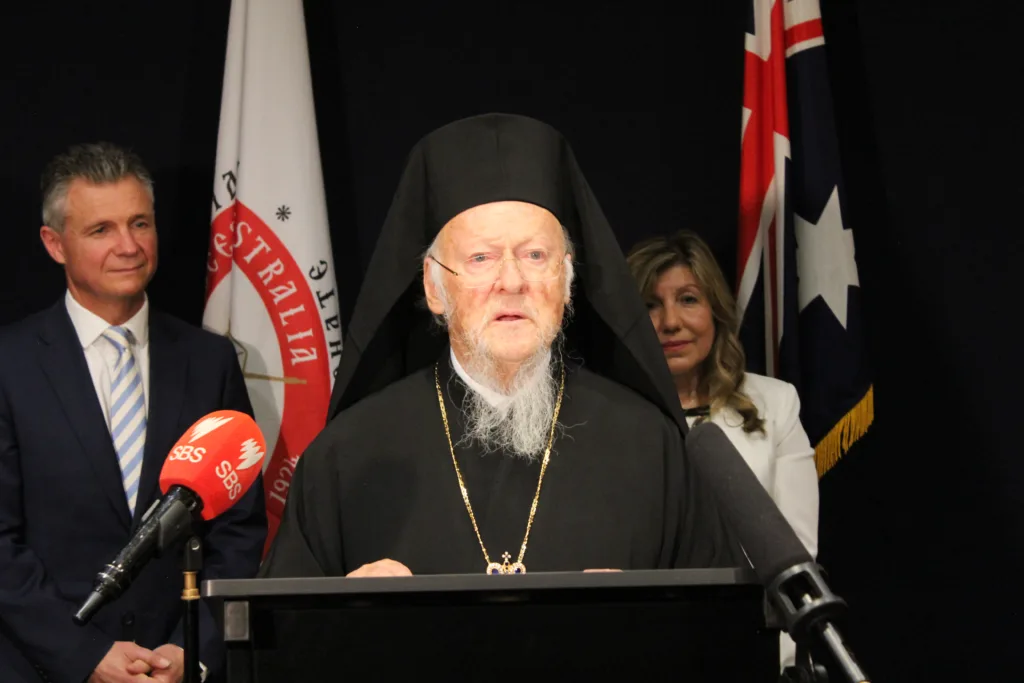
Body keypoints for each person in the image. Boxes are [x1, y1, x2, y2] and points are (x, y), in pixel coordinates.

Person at [260, 113, 742, 578]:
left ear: (568, 278)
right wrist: (342, 616)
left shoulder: (651, 447)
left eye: (535, 255)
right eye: (481, 258)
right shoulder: (348, 454)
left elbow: (722, 634)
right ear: (433, 288)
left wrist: (647, 621)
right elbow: (278, 639)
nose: (511, 281)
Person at [0, 142, 267, 683]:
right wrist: (84, 656)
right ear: (55, 244)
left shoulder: (209, 360)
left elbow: (238, 530)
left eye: (139, 223)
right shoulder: (9, 365)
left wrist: (191, 650)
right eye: (101, 230)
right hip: (44, 669)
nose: (129, 246)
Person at [626, 229, 819, 667]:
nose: (670, 322)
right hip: (642, 651)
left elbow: (796, 560)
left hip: (755, 646)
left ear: (716, 309)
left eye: (688, 299)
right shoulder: (606, 416)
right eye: (649, 305)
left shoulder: (777, 403)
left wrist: (772, 661)